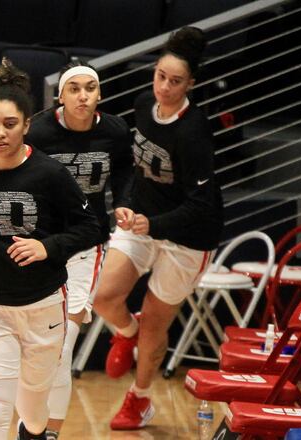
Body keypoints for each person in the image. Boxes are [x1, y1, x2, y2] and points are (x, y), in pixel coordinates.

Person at [0, 58, 102, 440]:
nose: (0, 133)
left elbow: (90, 227)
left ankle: (34, 433)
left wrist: (48, 247)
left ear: (27, 126)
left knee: (33, 412)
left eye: (10, 124)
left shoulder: (50, 174)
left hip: (43, 305)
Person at [91, 26, 224, 430]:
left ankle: (140, 399)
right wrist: (127, 204)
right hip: (144, 221)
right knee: (103, 297)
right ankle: (125, 332)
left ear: (191, 84)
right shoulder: (143, 104)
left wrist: (156, 223)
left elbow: (201, 204)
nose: (165, 87)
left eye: (176, 81)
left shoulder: (194, 131)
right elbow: (138, 169)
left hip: (188, 236)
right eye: (160, 76)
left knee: (155, 324)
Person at [24, 60, 133, 440]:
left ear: (99, 94)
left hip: (87, 244)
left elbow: (125, 171)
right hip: (43, 246)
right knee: (40, 351)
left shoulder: (115, 131)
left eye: (90, 88)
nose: (83, 96)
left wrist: (123, 203)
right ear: (60, 96)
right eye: (74, 89)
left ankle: (48, 432)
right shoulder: (39, 131)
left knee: (63, 346)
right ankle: (31, 423)